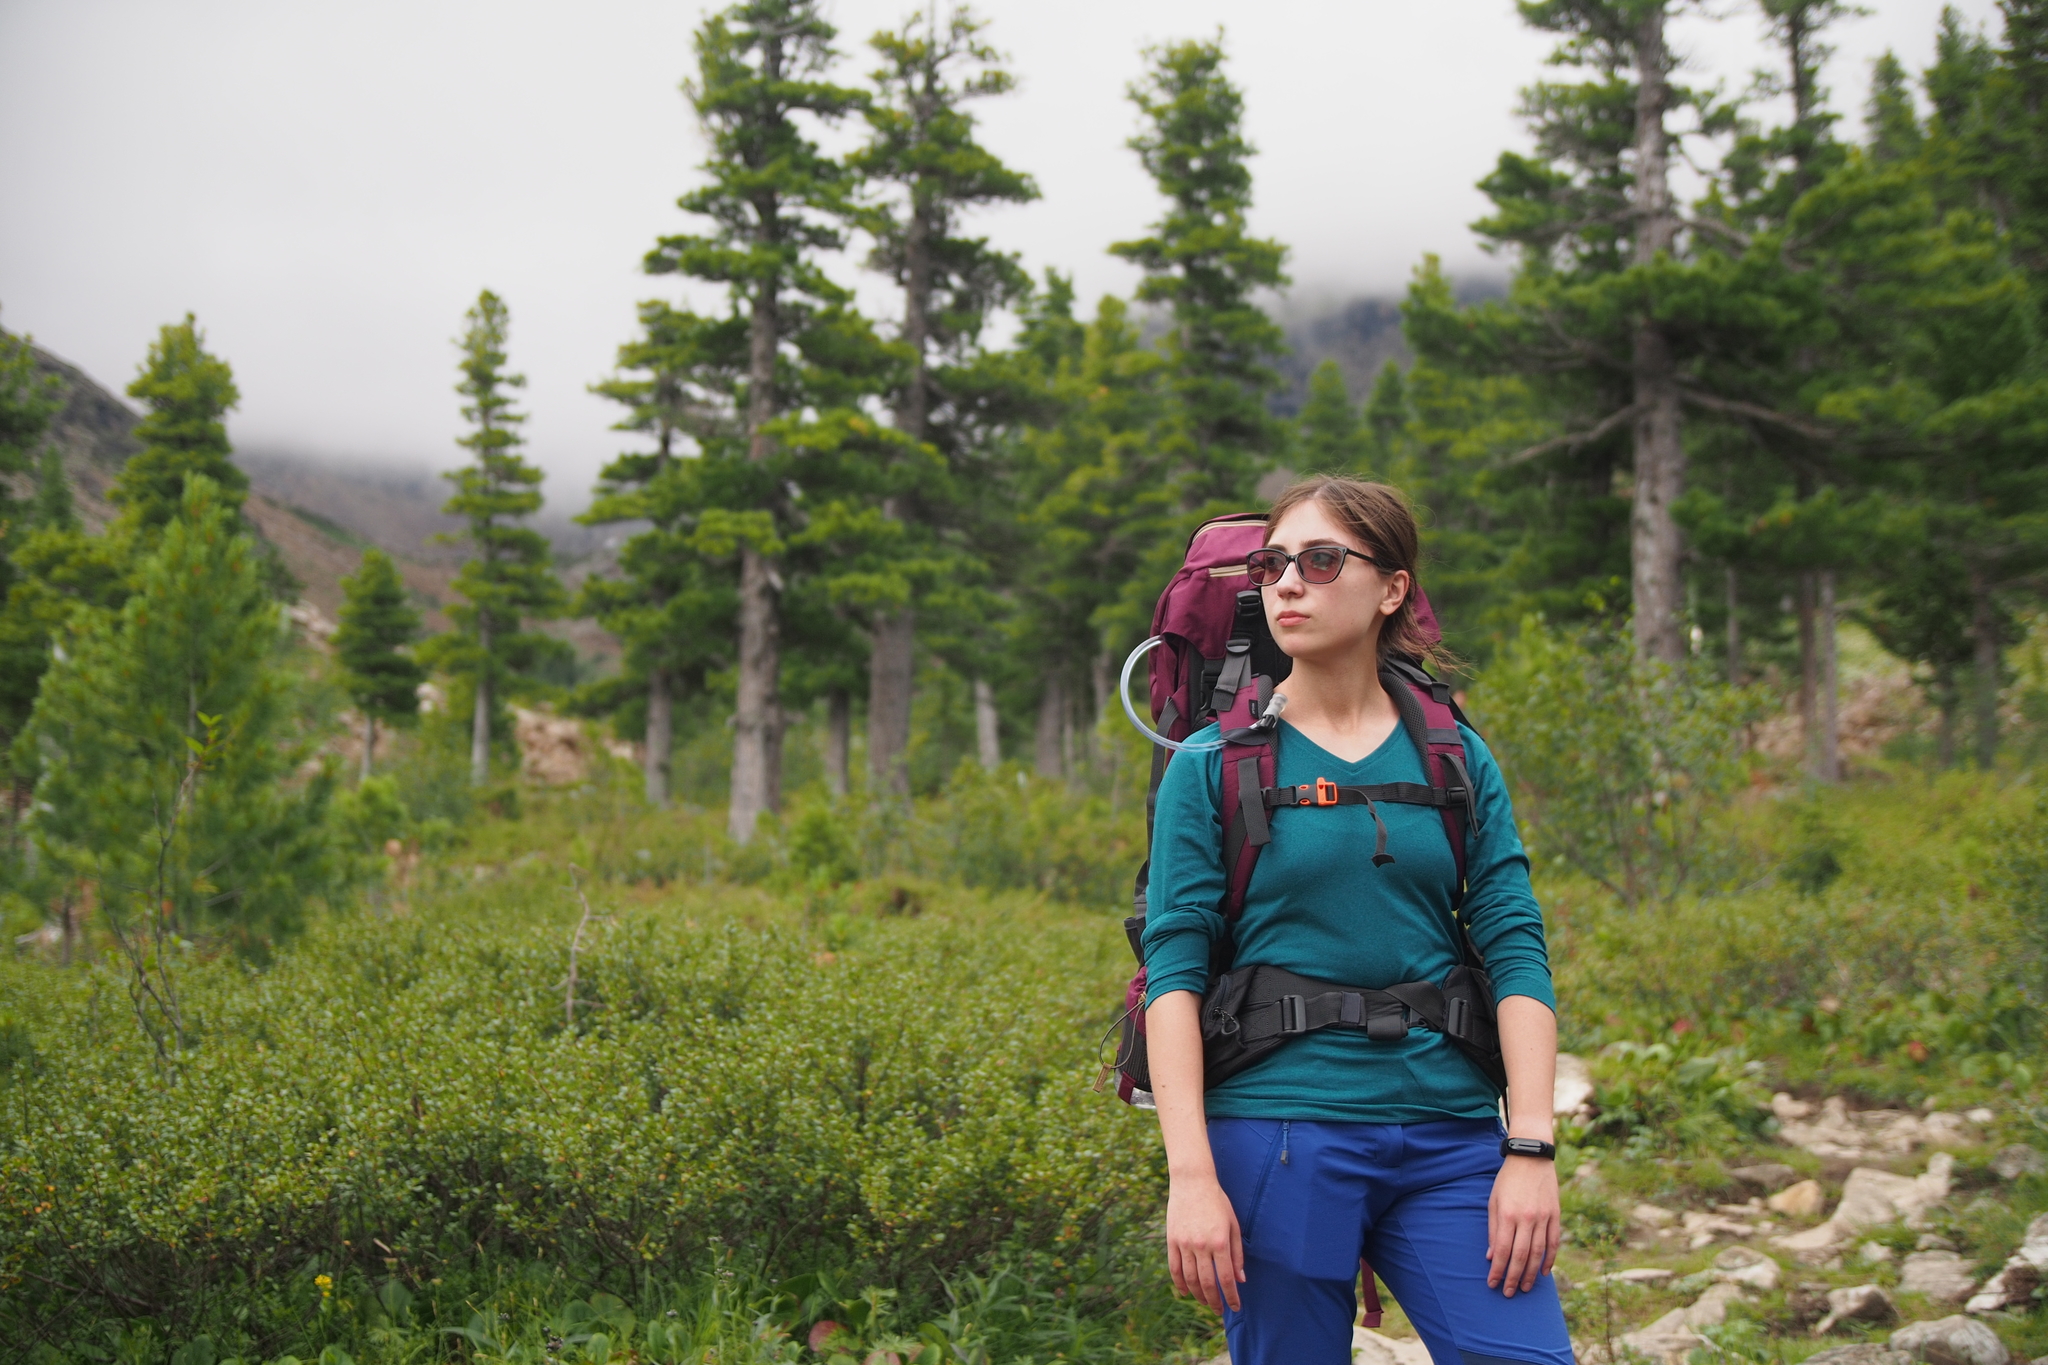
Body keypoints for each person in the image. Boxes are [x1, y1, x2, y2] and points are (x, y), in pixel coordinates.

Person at [1141, 476, 1572, 1365]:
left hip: (1452, 1134)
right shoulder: (1212, 764)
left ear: (1392, 588)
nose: (1288, 582)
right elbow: (1173, 975)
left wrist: (1530, 1147)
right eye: (1273, 563)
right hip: (1278, 1136)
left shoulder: (1455, 752)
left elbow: (1516, 947)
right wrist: (1190, 1175)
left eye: (1321, 559)